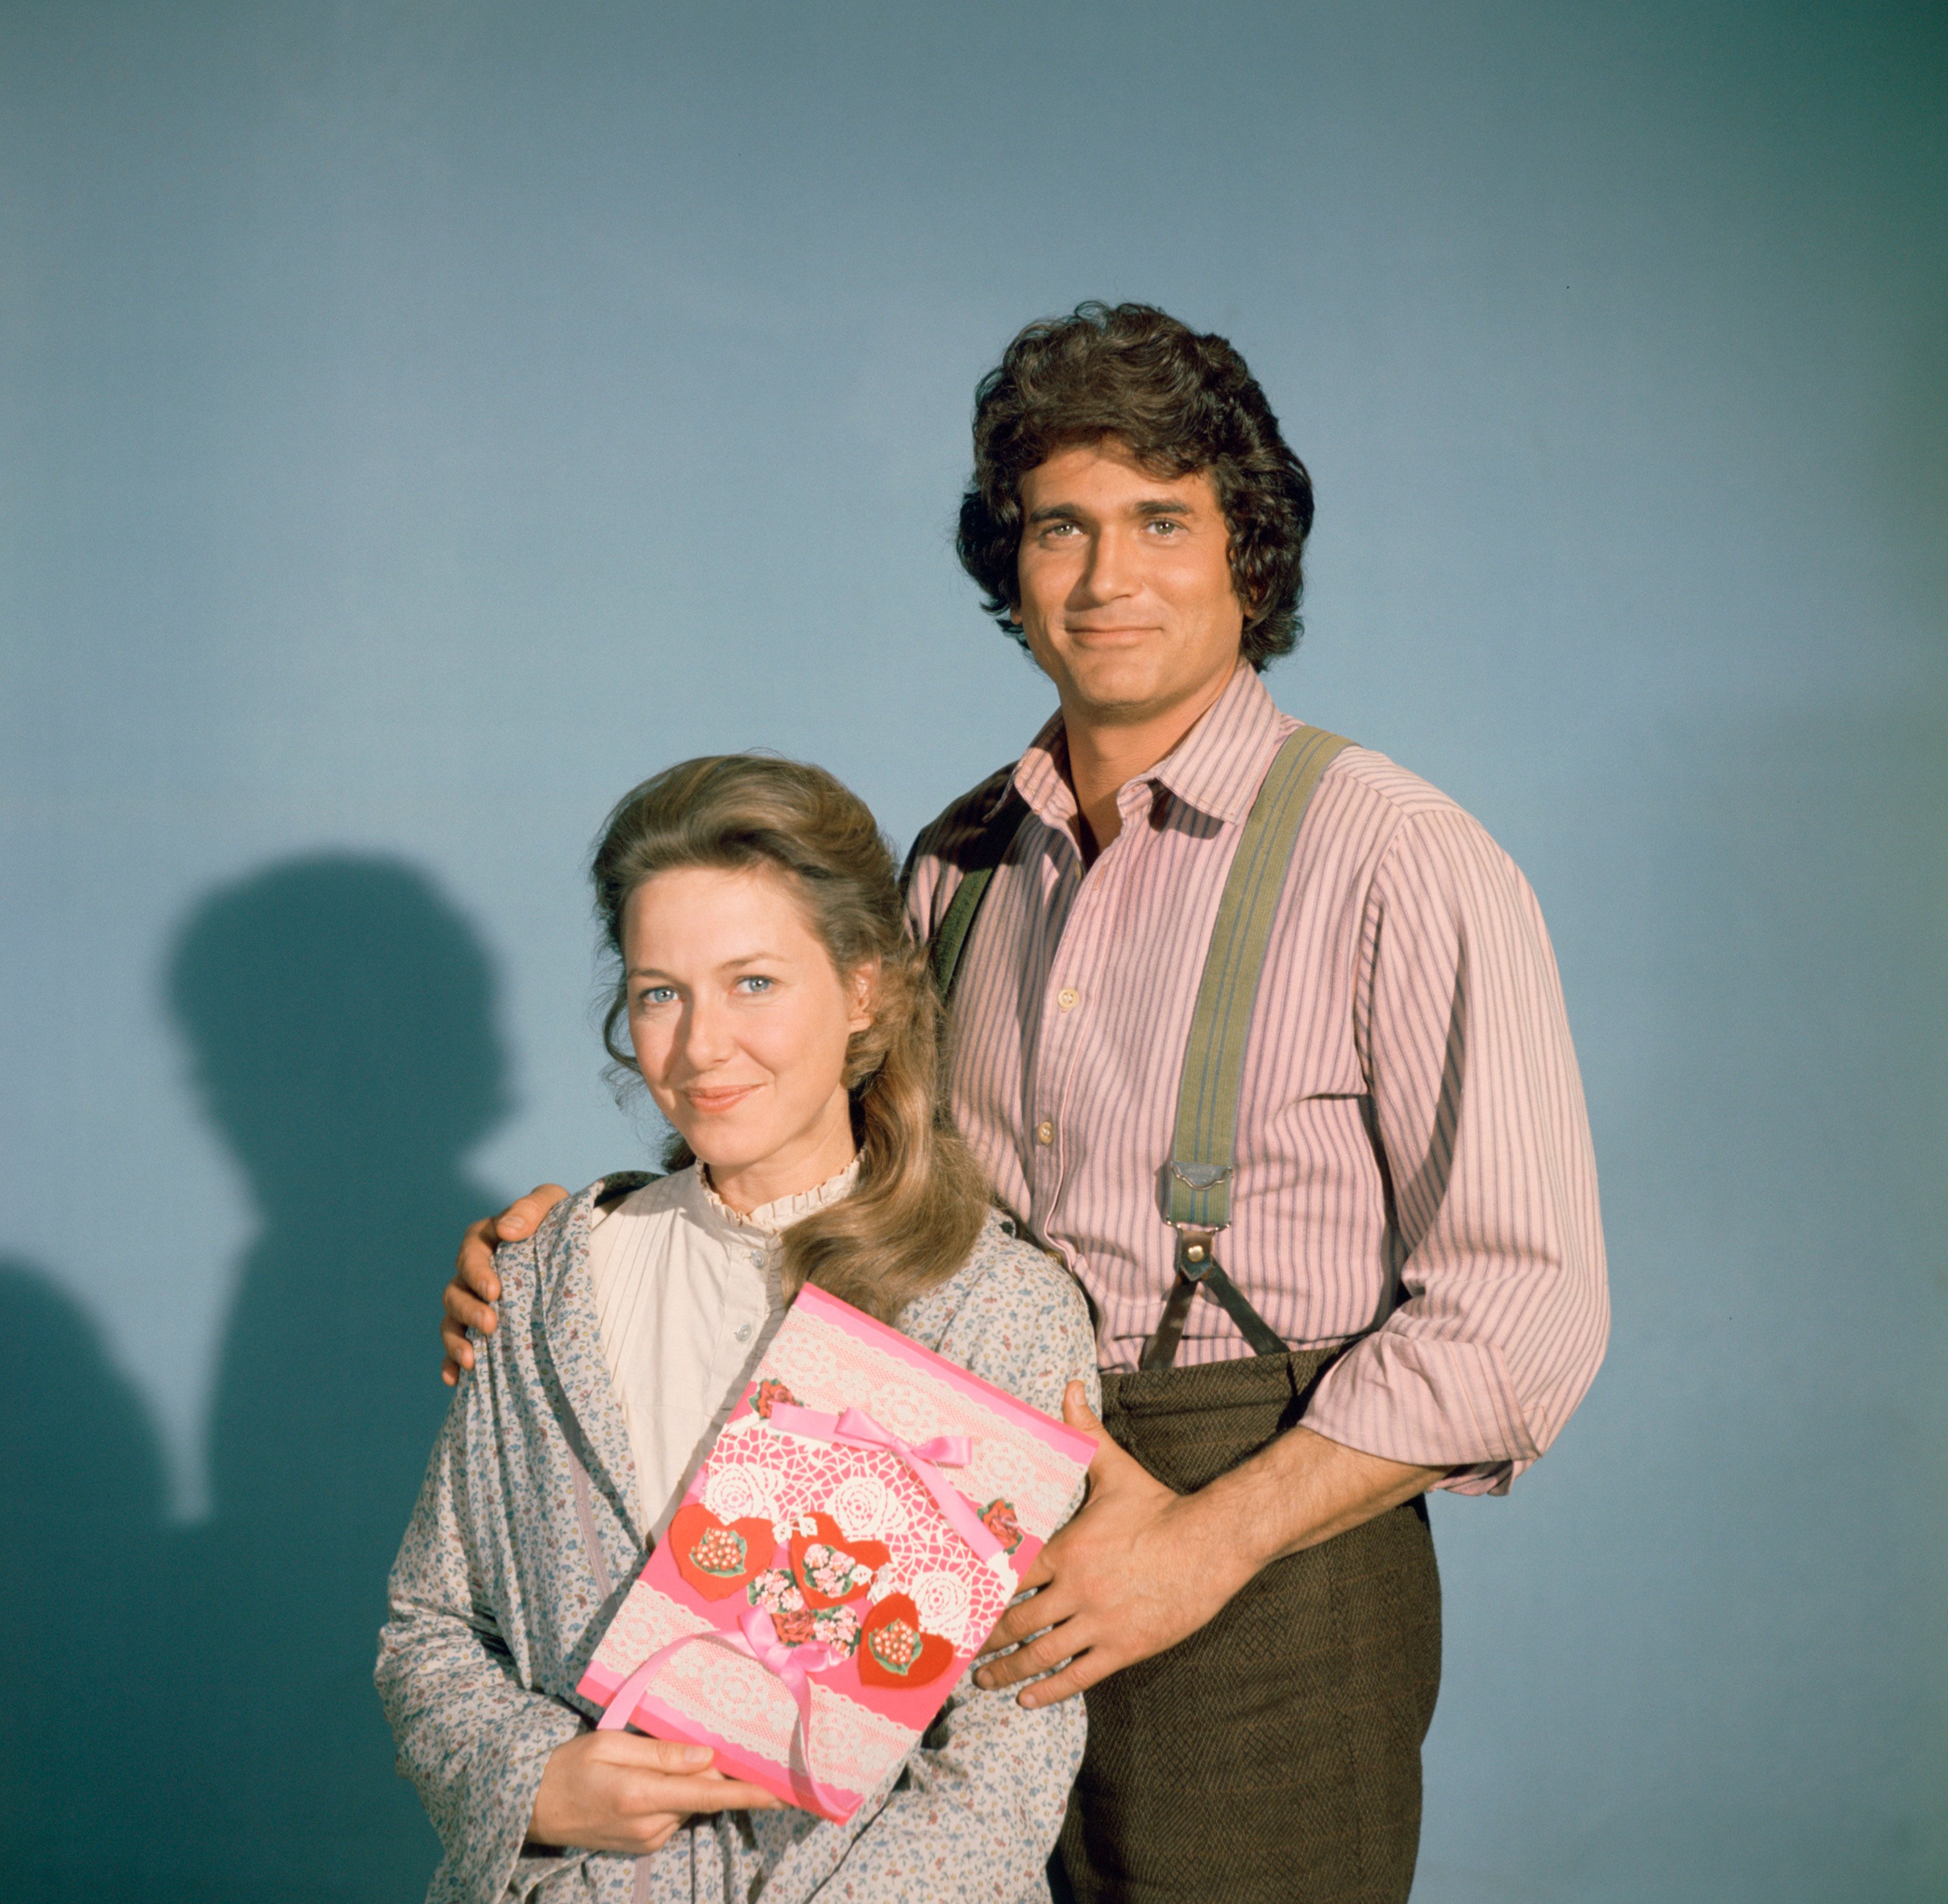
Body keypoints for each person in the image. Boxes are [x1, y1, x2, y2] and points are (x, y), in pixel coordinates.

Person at [441, 303, 1609, 1903]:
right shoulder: (957, 862)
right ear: (1011, 568)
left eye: (1162, 522)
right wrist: (580, 1248)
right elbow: (812, 1138)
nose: (1109, 577)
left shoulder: (1398, 860)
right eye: (1062, 527)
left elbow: (1524, 1314)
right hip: (931, 1532)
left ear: (1247, 557)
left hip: (1264, 1565)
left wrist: (1202, 1545)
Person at [381, 755, 1098, 1903]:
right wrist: (534, 1781)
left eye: (754, 982)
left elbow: (1006, 1756)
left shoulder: (991, 1308)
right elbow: (429, 1625)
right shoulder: (549, 1272)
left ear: (865, 989)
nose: (703, 1046)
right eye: (662, 991)